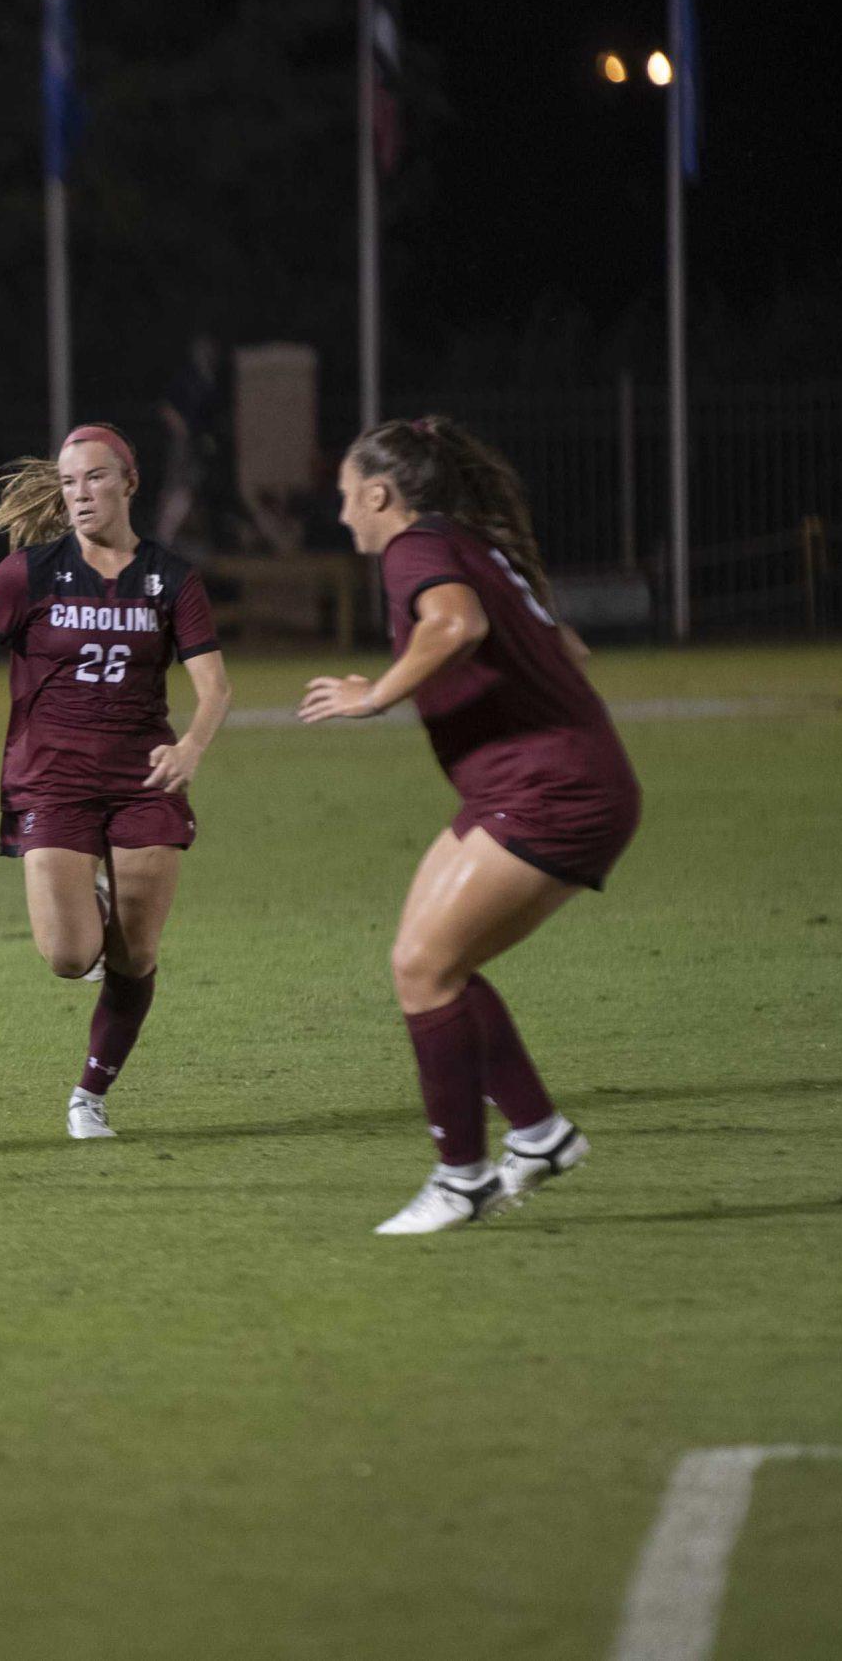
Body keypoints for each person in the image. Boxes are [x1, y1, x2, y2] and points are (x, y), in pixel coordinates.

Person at [298, 415, 640, 1235]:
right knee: (427, 962)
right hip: (532, 781)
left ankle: (463, 1178)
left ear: (380, 494)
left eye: (348, 498)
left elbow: (459, 627)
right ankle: (539, 1133)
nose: (343, 514)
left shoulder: (414, 549)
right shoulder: (461, 542)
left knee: (425, 968)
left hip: (553, 789)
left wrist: (373, 696)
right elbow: (564, 645)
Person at [0, 424, 232, 1140]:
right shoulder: (30, 572)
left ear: (129, 482)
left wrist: (190, 746)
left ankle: (90, 1093)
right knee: (69, 959)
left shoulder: (171, 578)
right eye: (68, 483)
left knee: (136, 954)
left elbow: (214, 687)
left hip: (143, 777)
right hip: (51, 780)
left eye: (94, 478)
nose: (80, 494)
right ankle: (88, 896)